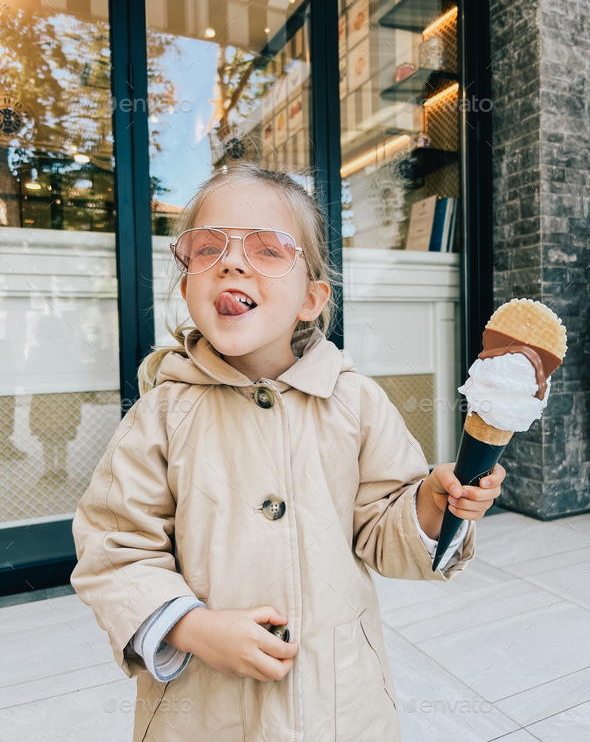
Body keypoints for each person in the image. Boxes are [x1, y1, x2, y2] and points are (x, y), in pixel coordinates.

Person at [70, 162, 505, 742]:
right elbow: (113, 550)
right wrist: (194, 628)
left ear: (311, 298)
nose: (231, 261)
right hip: (205, 712)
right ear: (186, 284)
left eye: (268, 250)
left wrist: (432, 501)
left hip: (339, 703)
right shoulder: (161, 417)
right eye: (207, 248)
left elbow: (384, 530)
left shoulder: (355, 402)